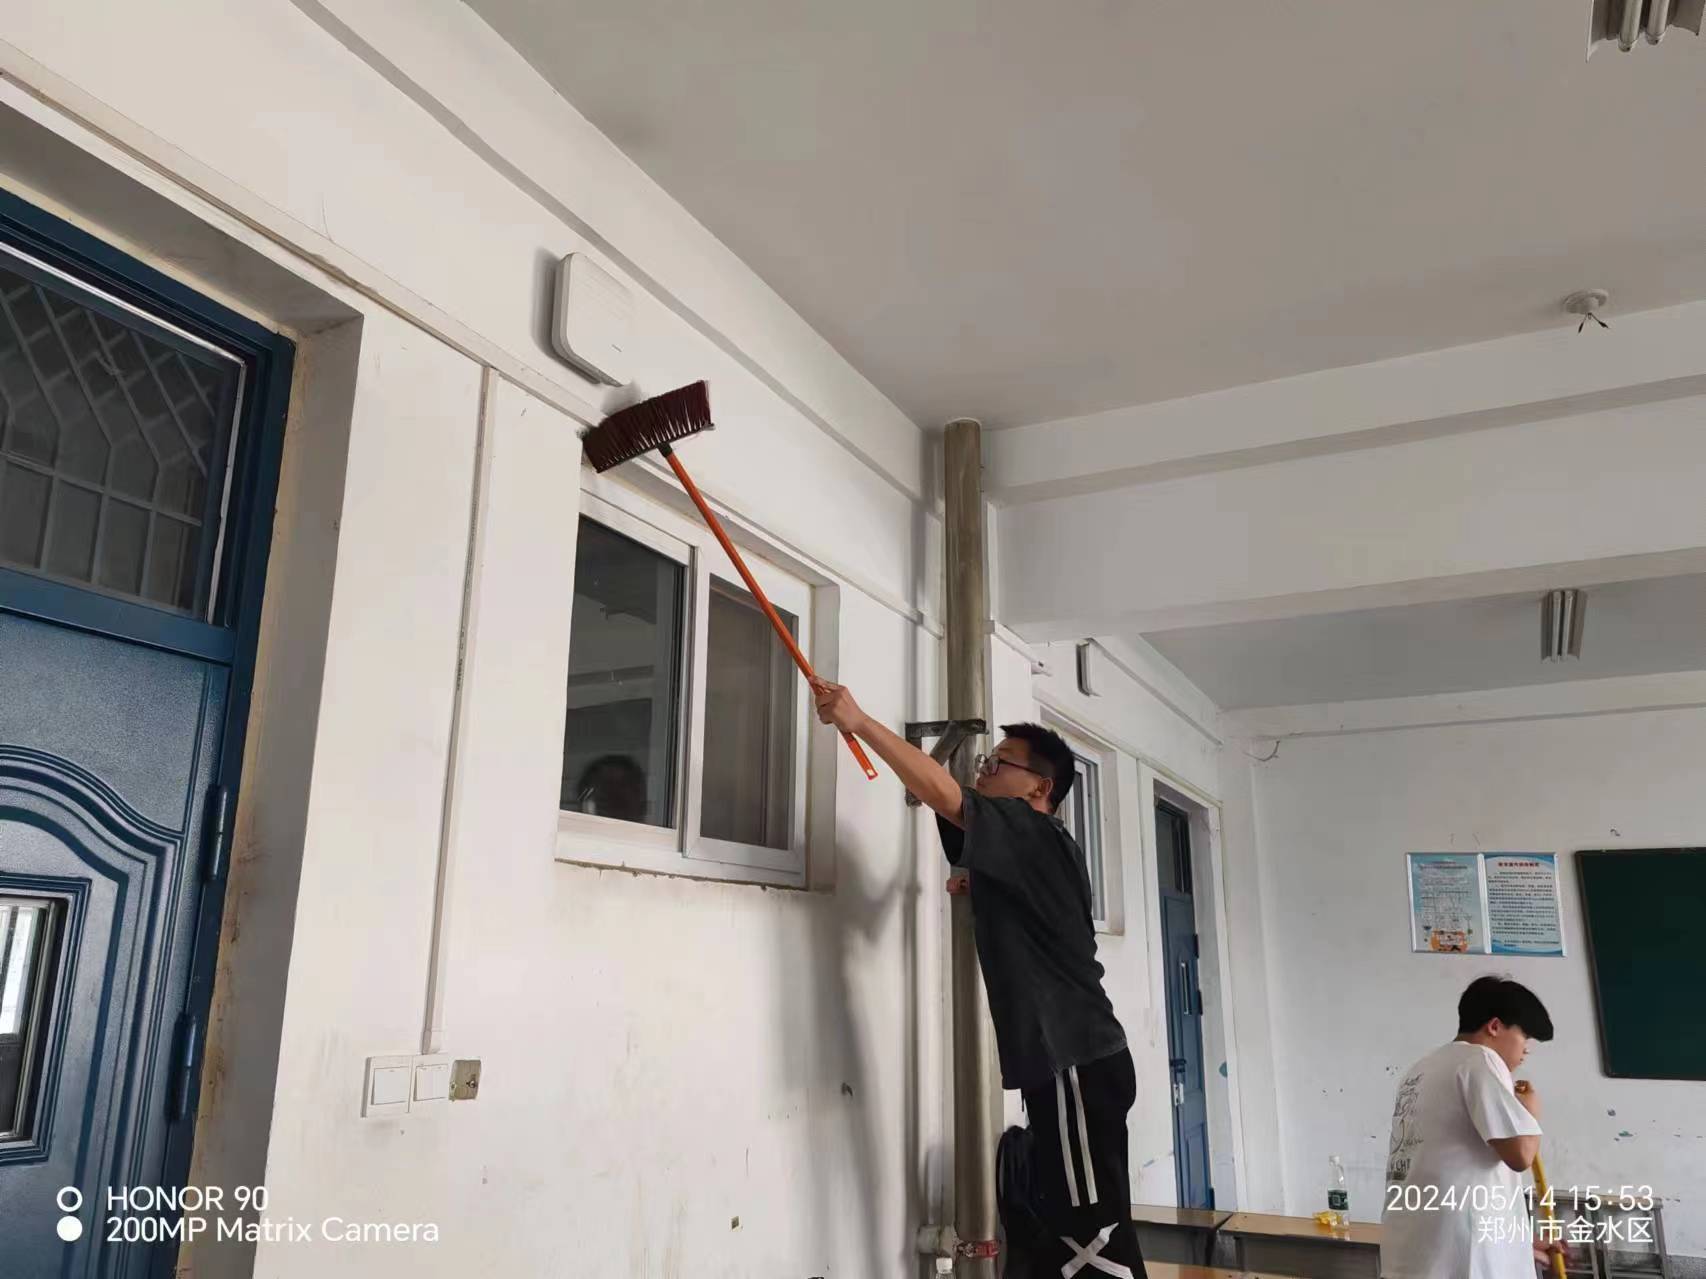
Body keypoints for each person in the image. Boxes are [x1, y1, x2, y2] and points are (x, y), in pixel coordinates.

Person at [811, 681, 1141, 1278]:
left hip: (1074, 1061)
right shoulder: (1040, 849)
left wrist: (859, 721)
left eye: (998, 764)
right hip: (1071, 1063)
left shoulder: (1033, 832)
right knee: (1070, 1237)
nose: (984, 771)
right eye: (988, 761)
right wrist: (981, 886)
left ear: (1040, 788)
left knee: (1093, 1247)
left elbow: (947, 796)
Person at [1381, 976, 1565, 1279]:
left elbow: (1456, 1172)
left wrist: (1518, 1242)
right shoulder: (1480, 1060)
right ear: (1495, 1026)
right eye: (1524, 1037)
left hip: (1416, 1255)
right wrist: (1530, 1111)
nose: (1526, 1051)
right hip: (1462, 1265)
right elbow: (1521, 1154)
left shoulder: (1420, 1070)